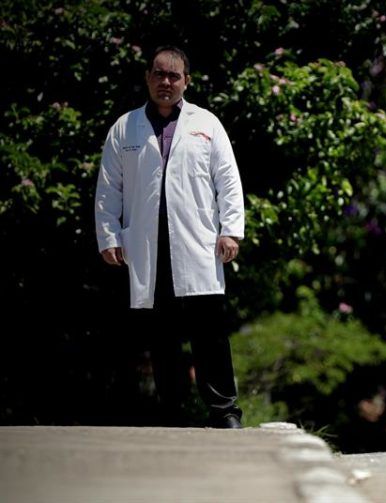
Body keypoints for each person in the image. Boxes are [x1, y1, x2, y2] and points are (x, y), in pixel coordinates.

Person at [94, 46, 245, 428]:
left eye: (173, 76)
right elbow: (109, 187)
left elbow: (228, 180)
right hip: (148, 247)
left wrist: (231, 230)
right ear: (148, 78)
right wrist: (109, 234)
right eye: (159, 75)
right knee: (161, 335)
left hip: (198, 244)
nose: (166, 82)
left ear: (186, 82)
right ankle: (172, 413)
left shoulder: (207, 124)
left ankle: (224, 411)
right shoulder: (124, 128)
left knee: (209, 333)